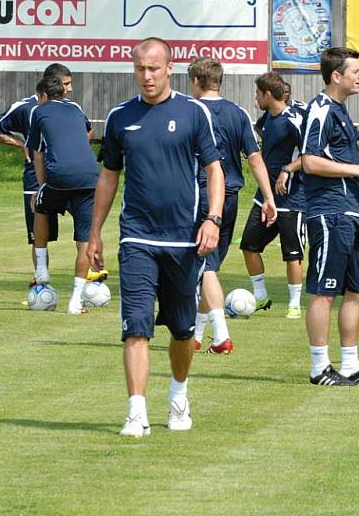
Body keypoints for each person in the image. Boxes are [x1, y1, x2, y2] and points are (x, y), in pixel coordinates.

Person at [86, 37, 224, 437]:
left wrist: (212, 219)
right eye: (140, 69)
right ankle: (136, 413)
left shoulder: (194, 113)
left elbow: (215, 169)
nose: (146, 76)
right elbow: (109, 176)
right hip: (137, 239)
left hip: (185, 240)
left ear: (169, 67)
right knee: (136, 326)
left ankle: (179, 394)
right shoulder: (119, 118)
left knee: (182, 330)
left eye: (153, 68)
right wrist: (94, 232)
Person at [300, 47, 359, 386]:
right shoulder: (320, 110)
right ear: (336, 76)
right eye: (355, 71)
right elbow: (310, 161)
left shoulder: (340, 111)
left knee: (358, 289)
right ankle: (319, 367)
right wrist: (358, 170)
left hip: (351, 212)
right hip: (329, 212)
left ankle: (350, 365)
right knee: (324, 290)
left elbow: (355, 147)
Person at [186, 58, 276, 354]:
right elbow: (254, 157)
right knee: (208, 267)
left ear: (197, 81)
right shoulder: (237, 113)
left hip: (200, 195)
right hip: (231, 198)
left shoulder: (189, 110)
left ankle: (221, 335)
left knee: (205, 268)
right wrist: (268, 197)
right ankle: (197, 335)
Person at [0, 63, 75, 287]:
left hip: (67, 175)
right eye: (66, 84)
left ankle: (91, 275)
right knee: (38, 234)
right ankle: (41, 281)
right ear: (51, 84)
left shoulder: (70, 107)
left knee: (86, 220)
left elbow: (87, 129)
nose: (70, 89)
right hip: (35, 179)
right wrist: (19, 143)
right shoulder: (25, 108)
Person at [26, 75, 100, 314]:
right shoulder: (76, 108)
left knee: (39, 206)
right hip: (91, 176)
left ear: (44, 96)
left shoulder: (39, 111)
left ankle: (41, 272)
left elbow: (37, 153)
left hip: (60, 175)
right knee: (84, 240)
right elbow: (89, 132)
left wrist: (40, 187)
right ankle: (75, 302)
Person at [240, 71, 307, 320]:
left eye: (258, 94)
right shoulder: (266, 117)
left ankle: (294, 304)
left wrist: (287, 169)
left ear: (268, 94)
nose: (255, 98)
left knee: (292, 254)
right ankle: (260, 297)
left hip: (293, 199)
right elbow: (263, 136)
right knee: (248, 246)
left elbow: (311, 154)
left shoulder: (295, 120)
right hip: (265, 197)